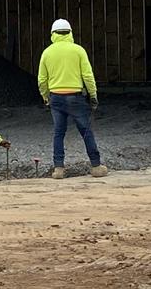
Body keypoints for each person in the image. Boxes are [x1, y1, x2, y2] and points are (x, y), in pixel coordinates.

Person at [38, 19, 107, 179]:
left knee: (58, 133)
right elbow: (88, 76)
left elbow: (42, 79)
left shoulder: (47, 53)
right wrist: (93, 95)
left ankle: (59, 169)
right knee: (86, 131)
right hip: (75, 97)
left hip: (56, 97)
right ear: (70, 32)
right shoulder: (78, 51)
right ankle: (96, 166)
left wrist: (46, 96)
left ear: (53, 34)